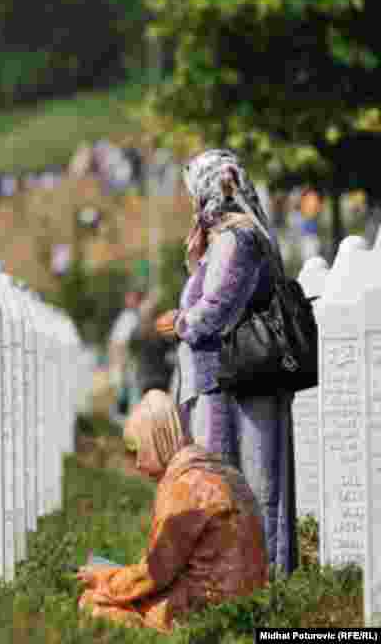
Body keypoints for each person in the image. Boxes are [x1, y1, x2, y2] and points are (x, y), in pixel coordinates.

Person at [153, 149, 298, 577]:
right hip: (226, 382)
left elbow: (216, 307)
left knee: (253, 487)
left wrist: (179, 322)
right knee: (232, 487)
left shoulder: (237, 238)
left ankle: (264, 586)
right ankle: (239, 580)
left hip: (237, 381)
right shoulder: (225, 238)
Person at [77, 390, 268, 633]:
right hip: (249, 605)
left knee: (93, 602)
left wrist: (104, 581)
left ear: (157, 439)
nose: (137, 464)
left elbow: (155, 575)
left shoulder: (184, 486)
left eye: (137, 448)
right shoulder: (218, 470)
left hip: (209, 612)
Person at [107, 289, 142, 422]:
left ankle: (126, 420)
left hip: (127, 360)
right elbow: (117, 342)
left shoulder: (131, 317)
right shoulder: (128, 317)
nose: (129, 300)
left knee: (127, 390)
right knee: (123, 390)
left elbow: (119, 341)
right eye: (129, 298)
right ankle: (124, 420)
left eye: (133, 298)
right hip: (123, 360)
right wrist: (117, 360)